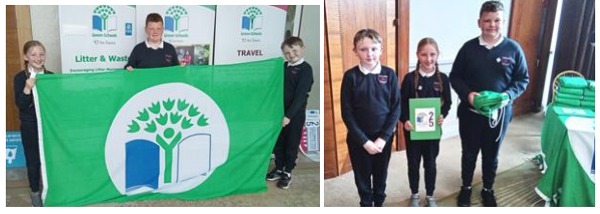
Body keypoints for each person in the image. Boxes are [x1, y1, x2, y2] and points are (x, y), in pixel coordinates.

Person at [449, 0, 529, 207]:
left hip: (499, 116)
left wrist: (507, 96)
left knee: (491, 155)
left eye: (497, 20)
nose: (492, 25)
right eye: (487, 20)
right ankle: (466, 188)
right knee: (469, 153)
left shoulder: (513, 49)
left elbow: (522, 79)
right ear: (479, 22)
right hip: (470, 113)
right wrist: (468, 95)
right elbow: (455, 76)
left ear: (503, 22)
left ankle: (487, 189)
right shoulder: (468, 48)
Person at [340, 28, 401, 207]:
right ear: (355, 51)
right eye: (363, 49)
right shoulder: (350, 76)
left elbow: (396, 108)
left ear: (381, 49)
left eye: (373, 49)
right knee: (362, 177)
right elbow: (347, 112)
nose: (369, 54)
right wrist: (364, 141)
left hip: (383, 139)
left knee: (381, 176)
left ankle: (379, 203)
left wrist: (383, 138)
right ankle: (366, 204)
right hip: (359, 140)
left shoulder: (389, 74)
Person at [400, 37, 451, 207]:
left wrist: (442, 115)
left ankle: (430, 195)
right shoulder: (409, 79)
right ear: (417, 55)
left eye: (432, 54)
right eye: (424, 55)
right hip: (412, 131)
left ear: (438, 55)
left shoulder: (443, 78)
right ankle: (414, 194)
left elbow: (447, 103)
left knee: (430, 163)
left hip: (432, 131)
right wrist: (405, 120)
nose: (428, 59)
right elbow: (401, 103)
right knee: (413, 163)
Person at [265, 36, 314, 190]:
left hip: (294, 115)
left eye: (294, 50)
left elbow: (300, 96)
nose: (291, 55)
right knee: (279, 143)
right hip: (279, 113)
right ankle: (279, 168)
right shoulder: (283, 67)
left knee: (291, 144)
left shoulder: (306, 69)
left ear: (302, 48)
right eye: (287, 53)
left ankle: (287, 172)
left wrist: (289, 116)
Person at [13, 40, 54, 207]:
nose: (38, 58)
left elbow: (57, 104)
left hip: (49, 126)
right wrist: (27, 88)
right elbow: (21, 105)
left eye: (41, 54)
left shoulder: (52, 77)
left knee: (51, 157)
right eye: (34, 54)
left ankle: (50, 189)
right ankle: (35, 192)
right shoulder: (20, 77)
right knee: (33, 160)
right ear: (26, 57)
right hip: (30, 126)